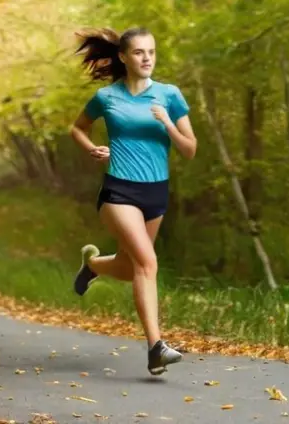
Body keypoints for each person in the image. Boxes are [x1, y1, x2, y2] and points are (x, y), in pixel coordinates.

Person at [69, 26, 197, 375]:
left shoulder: (170, 95)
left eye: (151, 52)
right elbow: (77, 128)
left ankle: (93, 265)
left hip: (156, 192)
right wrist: (91, 147)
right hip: (119, 191)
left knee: (130, 269)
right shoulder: (107, 97)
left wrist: (168, 124)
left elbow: (189, 150)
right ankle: (156, 348)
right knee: (148, 263)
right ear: (123, 57)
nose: (147, 58)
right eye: (139, 52)